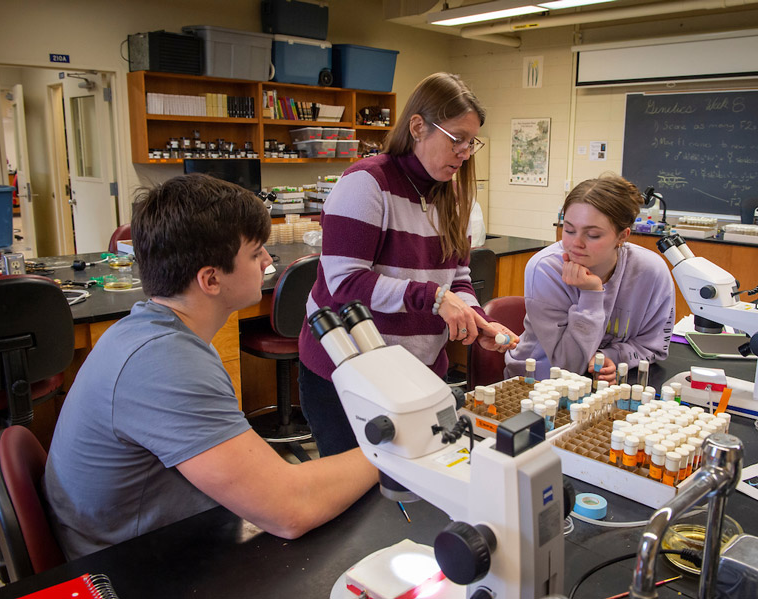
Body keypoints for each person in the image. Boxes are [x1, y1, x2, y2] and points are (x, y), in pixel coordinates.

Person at [43, 174, 378, 560]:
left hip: (153, 536)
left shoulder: (146, 330)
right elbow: (290, 509)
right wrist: (389, 446)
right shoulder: (164, 364)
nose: (268, 260)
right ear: (211, 279)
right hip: (133, 566)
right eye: (255, 254)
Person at [298, 72, 519, 456]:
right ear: (418, 127)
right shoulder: (367, 184)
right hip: (350, 370)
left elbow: (459, 276)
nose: (465, 153)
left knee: (414, 482)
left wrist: (473, 317)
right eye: (457, 139)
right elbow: (346, 283)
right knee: (356, 497)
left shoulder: (453, 194)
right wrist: (434, 298)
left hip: (417, 370)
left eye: (472, 142)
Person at [505, 174, 675, 382]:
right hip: (540, 381)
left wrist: (610, 357)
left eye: (592, 235)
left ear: (622, 236)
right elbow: (568, 365)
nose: (575, 243)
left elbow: (654, 347)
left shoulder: (651, 270)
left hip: (608, 385)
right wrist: (591, 294)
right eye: (568, 230)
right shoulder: (546, 268)